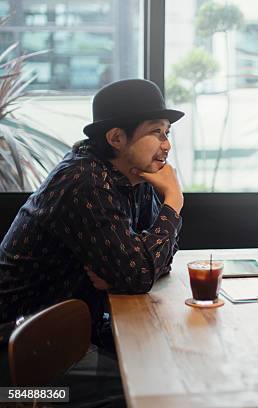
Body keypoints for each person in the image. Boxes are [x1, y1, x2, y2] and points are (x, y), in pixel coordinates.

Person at [0, 79, 185, 391]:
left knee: (168, 364)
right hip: (21, 350)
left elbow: (159, 255)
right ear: (116, 138)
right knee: (150, 386)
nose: (166, 144)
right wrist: (174, 201)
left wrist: (133, 266)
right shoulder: (84, 181)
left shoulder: (135, 177)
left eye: (167, 132)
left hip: (77, 329)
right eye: (156, 132)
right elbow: (140, 271)